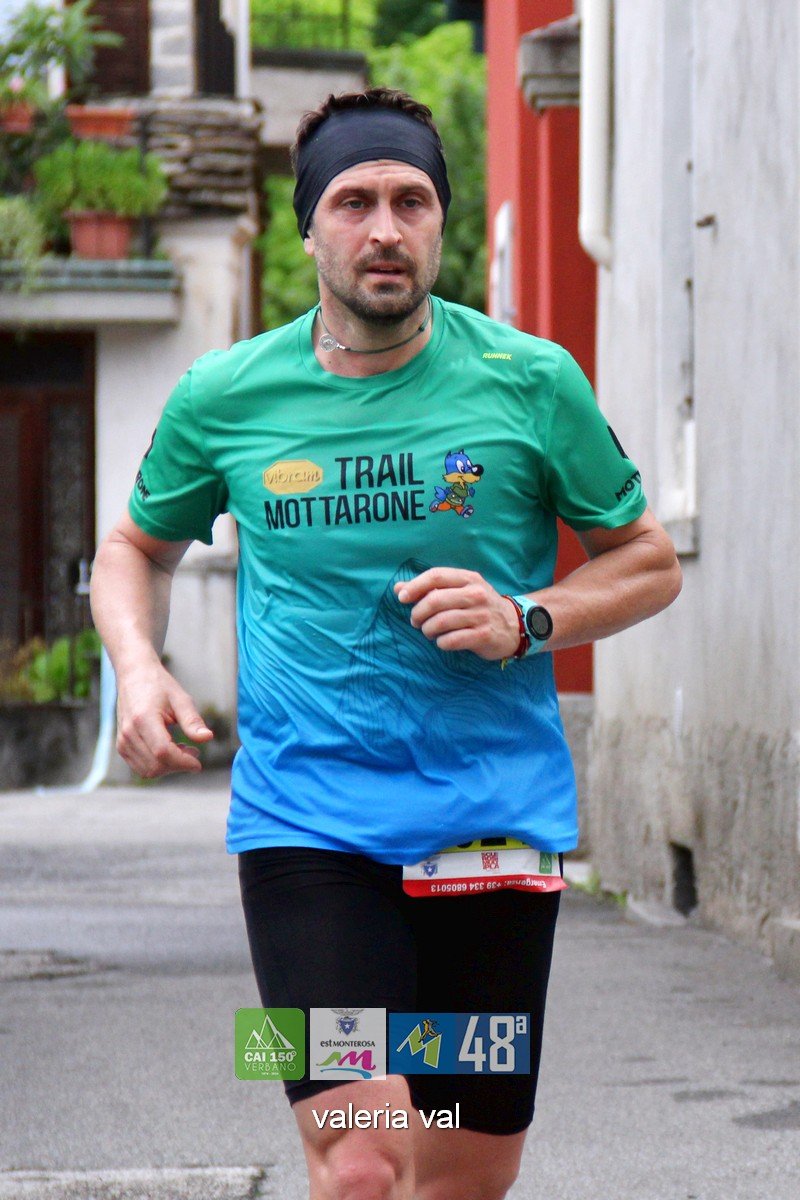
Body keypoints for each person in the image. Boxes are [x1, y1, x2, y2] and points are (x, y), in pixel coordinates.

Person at [90, 87, 682, 1200]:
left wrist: (525, 619)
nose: (384, 229)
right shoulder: (225, 395)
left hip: (492, 827)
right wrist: (138, 665)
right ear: (307, 227)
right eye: (353, 202)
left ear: (439, 222)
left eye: (411, 201)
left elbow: (647, 560)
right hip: (304, 826)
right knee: (358, 1158)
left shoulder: (531, 380)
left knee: (462, 1170)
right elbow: (134, 549)